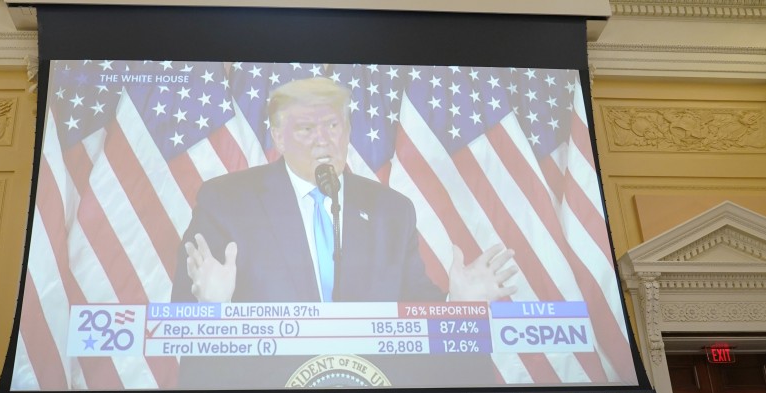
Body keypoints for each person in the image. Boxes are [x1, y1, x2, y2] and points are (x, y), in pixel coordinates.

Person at [172, 76, 517, 305]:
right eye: (306, 129)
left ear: (348, 131)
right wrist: (212, 309)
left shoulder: (391, 211)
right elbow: (186, 312)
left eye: (333, 125)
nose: (323, 139)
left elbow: (414, 310)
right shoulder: (227, 202)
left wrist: (458, 304)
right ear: (278, 137)